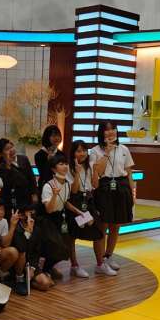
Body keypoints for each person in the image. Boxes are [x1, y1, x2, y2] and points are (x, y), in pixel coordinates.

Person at [90, 120, 135, 276]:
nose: (110, 132)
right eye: (107, 130)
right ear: (101, 133)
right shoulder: (95, 151)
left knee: (116, 226)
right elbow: (99, 173)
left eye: (113, 129)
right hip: (104, 188)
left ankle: (108, 256)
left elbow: (129, 173)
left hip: (121, 187)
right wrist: (107, 152)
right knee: (102, 227)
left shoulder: (124, 149)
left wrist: (132, 194)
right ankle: (100, 263)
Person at [41, 152, 92, 280]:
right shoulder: (48, 186)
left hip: (61, 218)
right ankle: (45, 270)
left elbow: (65, 202)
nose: (65, 166)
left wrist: (80, 212)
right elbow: (49, 209)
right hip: (49, 220)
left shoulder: (67, 183)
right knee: (56, 247)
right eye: (61, 164)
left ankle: (48, 269)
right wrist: (54, 195)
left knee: (65, 248)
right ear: (54, 169)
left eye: (65, 163)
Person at [67, 140, 103, 277]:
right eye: (78, 151)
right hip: (75, 201)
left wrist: (95, 171)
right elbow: (74, 190)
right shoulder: (69, 167)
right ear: (73, 153)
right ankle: (74, 265)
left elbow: (95, 185)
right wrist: (77, 173)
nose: (82, 153)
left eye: (84, 150)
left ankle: (100, 264)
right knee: (72, 235)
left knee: (98, 231)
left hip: (88, 200)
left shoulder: (90, 166)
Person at [12, 204, 54, 292]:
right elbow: (21, 248)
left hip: (31, 263)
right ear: (21, 215)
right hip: (18, 264)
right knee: (22, 254)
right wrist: (28, 232)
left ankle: (28, 283)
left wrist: (32, 268)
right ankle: (20, 280)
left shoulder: (37, 229)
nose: (32, 214)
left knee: (46, 284)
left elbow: (37, 252)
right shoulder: (16, 229)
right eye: (29, 212)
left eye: (33, 212)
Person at [0, 138, 37, 218]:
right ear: (1, 154)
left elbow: (31, 178)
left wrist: (34, 193)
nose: (11, 150)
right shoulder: (1, 167)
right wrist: (8, 165)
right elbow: (8, 185)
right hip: (12, 200)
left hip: (26, 196)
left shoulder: (23, 158)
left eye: (11, 147)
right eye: (7, 149)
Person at [34, 125, 62, 193]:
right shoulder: (39, 155)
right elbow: (43, 174)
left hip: (60, 186)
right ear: (47, 137)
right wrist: (49, 161)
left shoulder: (61, 154)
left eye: (58, 135)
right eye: (53, 136)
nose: (57, 138)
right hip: (46, 187)